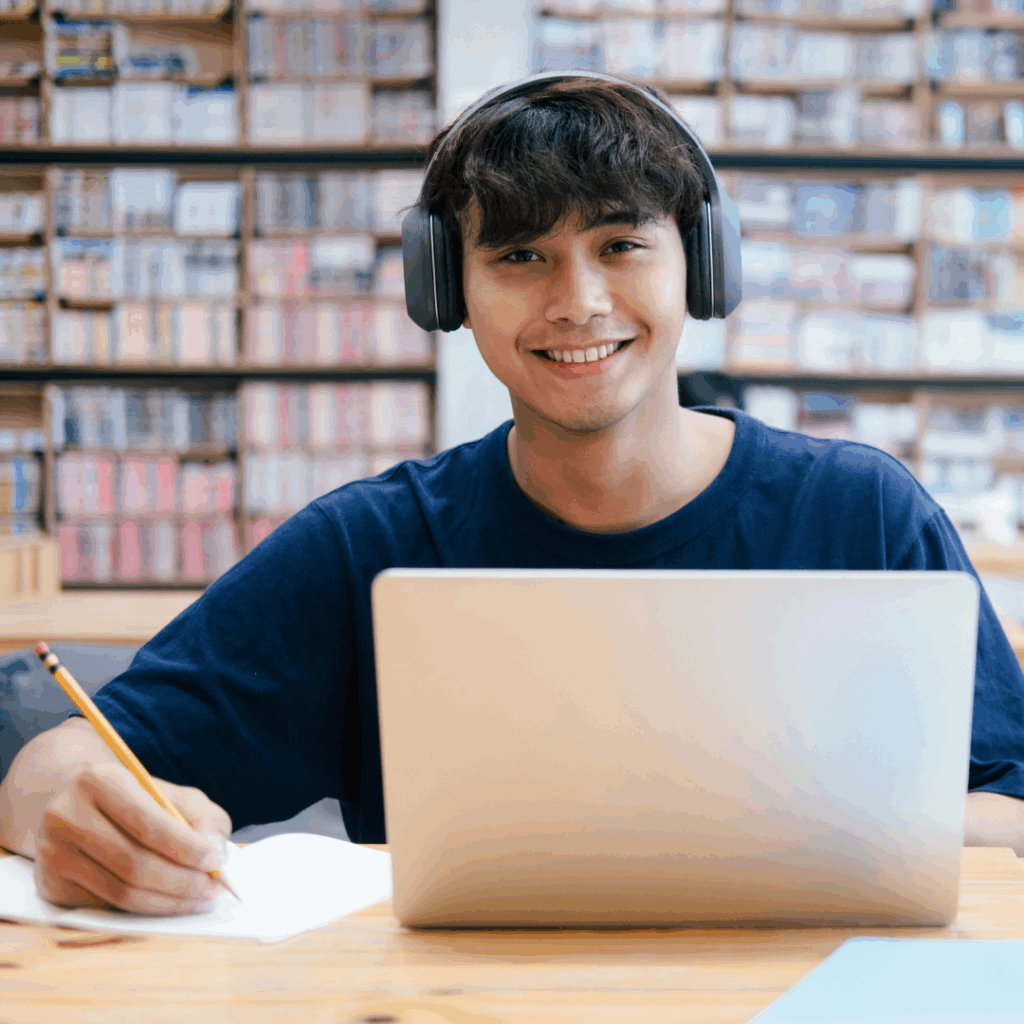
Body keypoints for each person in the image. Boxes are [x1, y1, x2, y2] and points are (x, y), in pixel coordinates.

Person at [2, 74, 1023, 917]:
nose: (578, 302)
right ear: (446, 290)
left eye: (621, 245)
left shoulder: (861, 514)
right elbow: (58, 764)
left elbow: (1011, 812)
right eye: (521, 256)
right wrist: (71, 814)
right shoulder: (371, 545)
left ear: (701, 266)